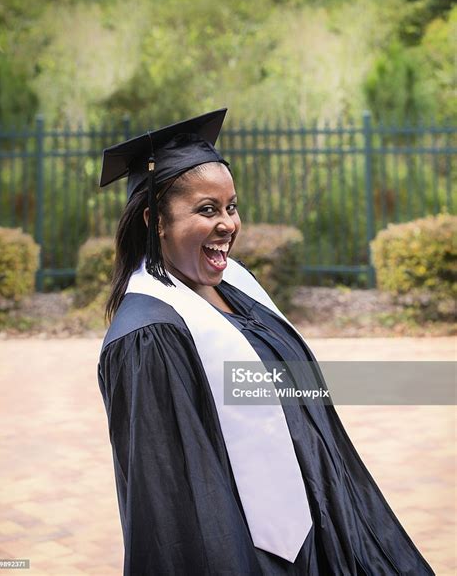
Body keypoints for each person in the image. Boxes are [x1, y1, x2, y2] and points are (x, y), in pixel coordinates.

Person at [97, 108, 435, 575]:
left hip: (324, 519)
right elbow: (174, 506)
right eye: (207, 209)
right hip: (258, 554)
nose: (228, 225)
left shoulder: (231, 286)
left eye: (231, 207)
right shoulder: (149, 336)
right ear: (155, 220)